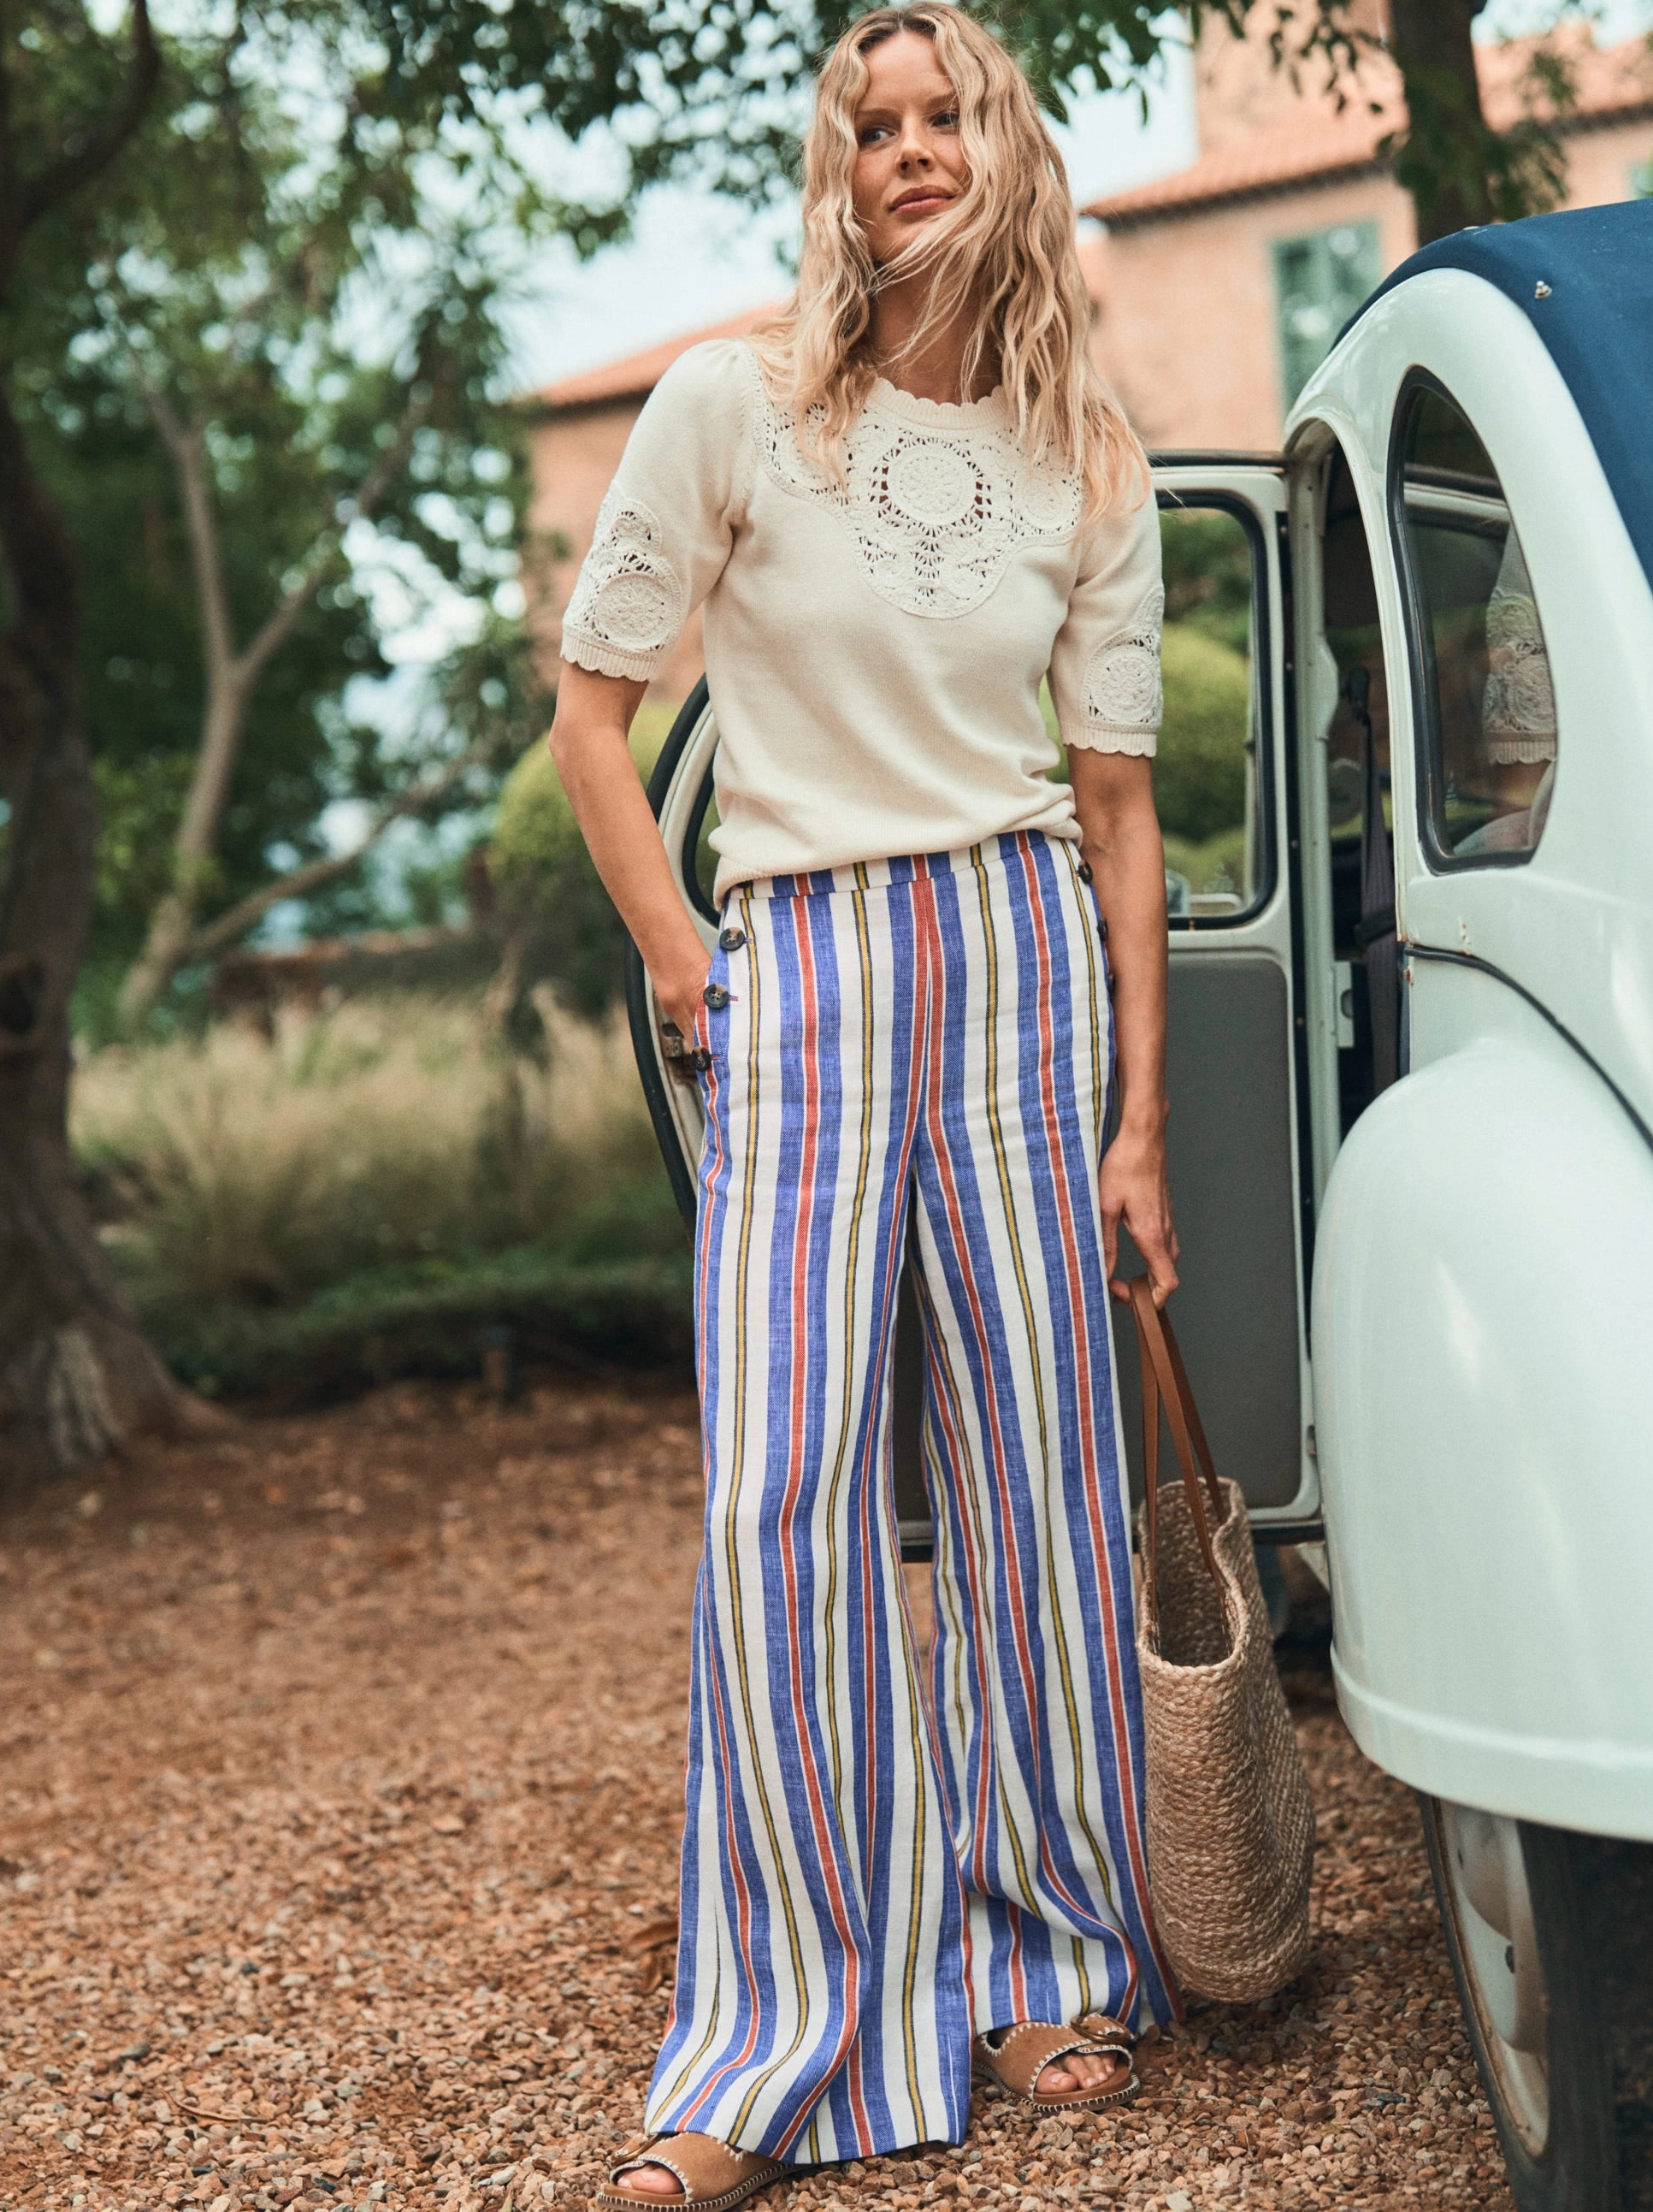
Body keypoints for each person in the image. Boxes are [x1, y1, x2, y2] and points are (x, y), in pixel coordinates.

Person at [549, 9, 1181, 2204]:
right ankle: (780, 2028)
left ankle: (1044, 1952)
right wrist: (682, 965)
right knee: (781, 1497)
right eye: (870, 126)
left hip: (1016, 962)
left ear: (1007, 152)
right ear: (836, 166)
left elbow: (1118, 814)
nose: (909, 152)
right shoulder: (731, 400)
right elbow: (592, 718)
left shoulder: (1088, 452)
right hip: (794, 964)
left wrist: (1139, 1124)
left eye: (946, 118)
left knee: (1037, 1466)